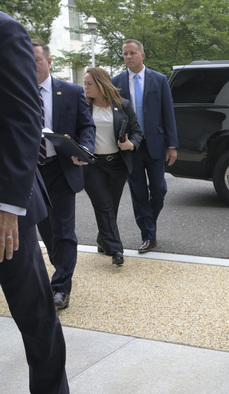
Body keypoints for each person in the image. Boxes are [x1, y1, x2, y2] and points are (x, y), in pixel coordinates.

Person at [0, 12, 69, 393]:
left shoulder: (5, 30)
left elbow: (25, 121)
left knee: (37, 319)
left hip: (7, 213)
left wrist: (9, 206)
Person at [33, 39, 96, 309]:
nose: (29, 65)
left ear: (48, 62)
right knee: (46, 230)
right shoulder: (14, 92)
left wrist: (84, 148)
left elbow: (87, 126)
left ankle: (60, 288)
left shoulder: (70, 92)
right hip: (31, 173)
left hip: (60, 169)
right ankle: (60, 268)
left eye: (35, 60)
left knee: (64, 231)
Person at [111, 39, 178, 253]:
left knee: (159, 189)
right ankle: (149, 235)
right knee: (138, 192)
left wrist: (172, 145)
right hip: (131, 147)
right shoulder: (116, 82)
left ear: (142, 55)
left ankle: (149, 222)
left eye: (132, 53)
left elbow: (168, 113)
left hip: (156, 144)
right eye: (124, 54)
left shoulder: (158, 80)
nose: (128, 57)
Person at [83, 67, 143, 266]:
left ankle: (104, 241)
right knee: (104, 206)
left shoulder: (122, 105)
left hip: (117, 164)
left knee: (111, 207)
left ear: (101, 84)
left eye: (89, 83)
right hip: (93, 165)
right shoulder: (83, 107)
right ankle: (116, 250)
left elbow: (136, 131)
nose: (85, 87)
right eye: (85, 83)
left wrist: (130, 144)